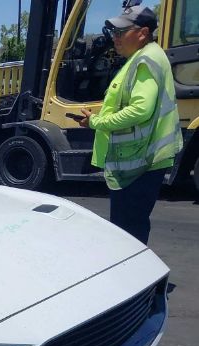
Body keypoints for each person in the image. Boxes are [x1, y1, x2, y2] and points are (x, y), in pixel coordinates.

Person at [78, 5, 182, 245]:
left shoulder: (145, 60)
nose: (115, 38)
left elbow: (140, 110)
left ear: (143, 33)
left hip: (140, 162)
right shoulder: (145, 57)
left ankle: (130, 278)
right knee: (132, 228)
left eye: (121, 32)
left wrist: (97, 122)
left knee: (127, 233)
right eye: (113, 32)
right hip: (143, 159)